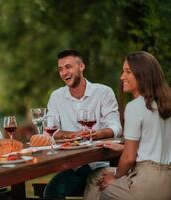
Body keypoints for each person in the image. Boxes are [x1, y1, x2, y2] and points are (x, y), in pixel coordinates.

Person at [84, 51, 171, 200]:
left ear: (142, 75)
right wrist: (124, 148)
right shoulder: (166, 104)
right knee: (97, 175)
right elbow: (156, 147)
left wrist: (116, 177)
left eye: (128, 72)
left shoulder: (135, 106)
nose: (122, 77)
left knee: (104, 188)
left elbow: (129, 158)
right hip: (167, 181)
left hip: (146, 182)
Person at [43, 49, 122, 199]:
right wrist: (73, 135)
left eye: (68, 67)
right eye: (60, 69)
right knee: (51, 192)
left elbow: (116, 128)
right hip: (73, 167)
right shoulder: (56, 97)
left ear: (81, 66)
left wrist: (98, 134)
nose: (64, 72)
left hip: (101, 163)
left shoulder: (104, 92)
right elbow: (51, 132)